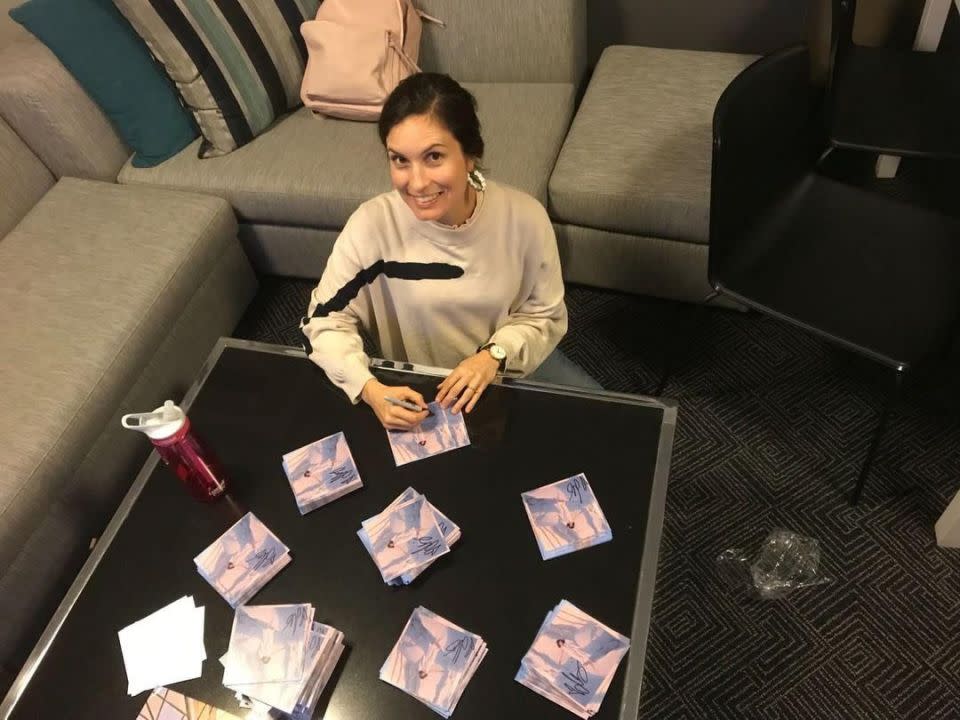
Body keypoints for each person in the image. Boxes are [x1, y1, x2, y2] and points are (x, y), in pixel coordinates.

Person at [300, 73, 598, 430]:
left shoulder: (526, 219)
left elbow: (545, 316)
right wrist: (369, 387)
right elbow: (321, 320)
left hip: (511, 367)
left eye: (434, 157)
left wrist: (494, 355)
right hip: (426, 389)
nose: (417, 182)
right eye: (400, 160)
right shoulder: (371, 226)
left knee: (605, 430)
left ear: (471, 155)